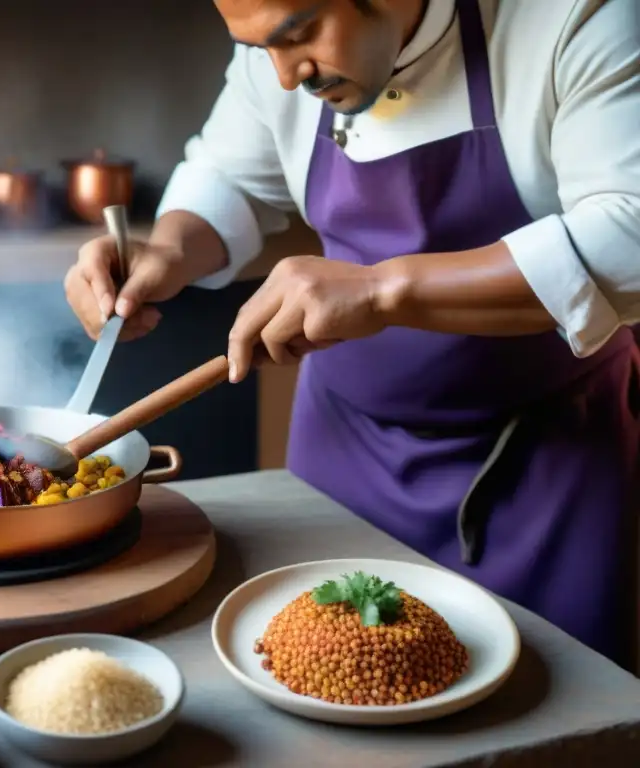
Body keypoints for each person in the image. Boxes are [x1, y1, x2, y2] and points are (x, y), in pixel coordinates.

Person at [64, 0, 640, 670]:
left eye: (299, 36)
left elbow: (628, 235)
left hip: (547, 469)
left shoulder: (575, 16)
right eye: (259, 48)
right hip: (342, 455)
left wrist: (381, 289)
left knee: (559, 706)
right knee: (326, 682)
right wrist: (166, 251)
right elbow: (228, 178)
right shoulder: (278, 56)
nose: (283, 76)